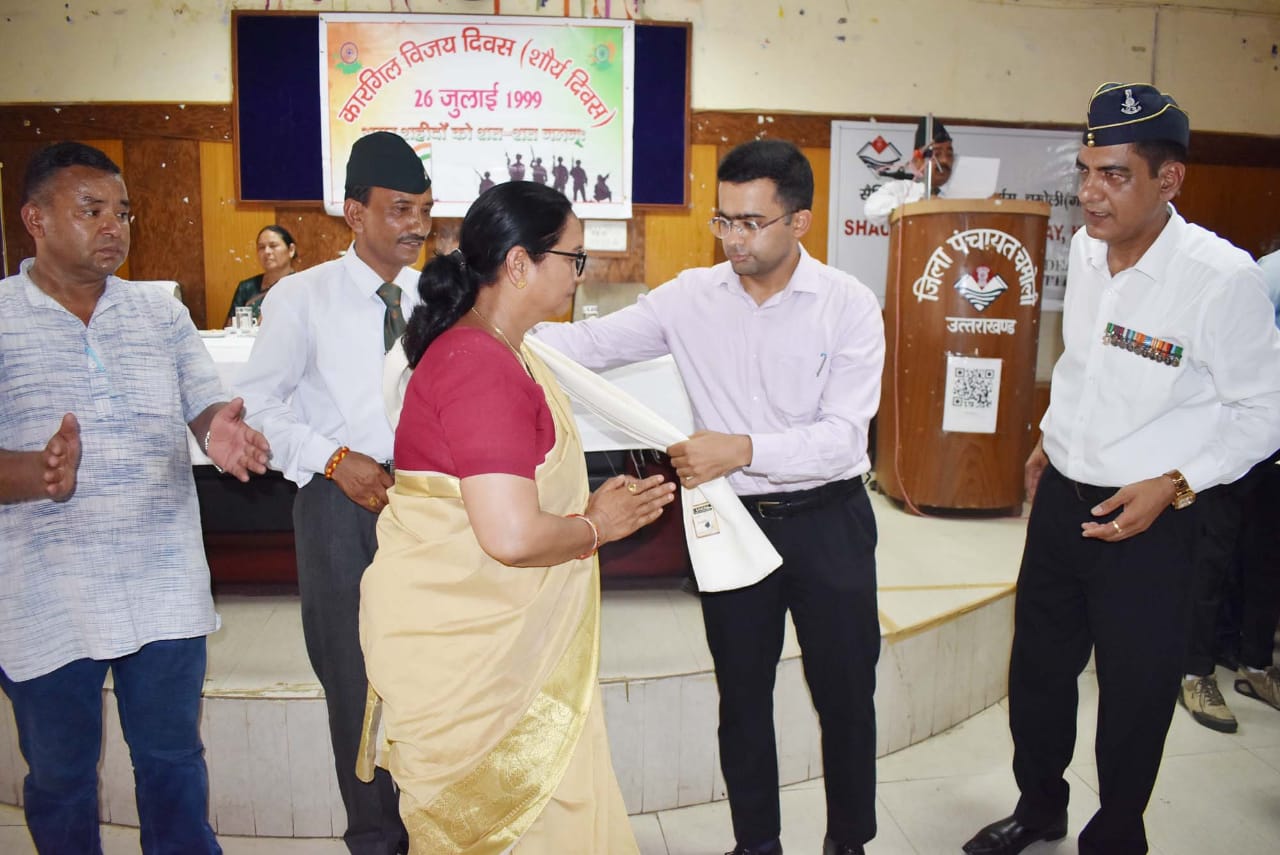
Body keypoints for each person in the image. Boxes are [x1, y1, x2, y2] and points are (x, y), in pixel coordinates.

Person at [535, 139, 885, 855]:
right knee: (743, 696)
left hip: (829, 520)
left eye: (751, 222)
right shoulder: (688, 298)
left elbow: (845, 438)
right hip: (732, 523)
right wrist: (485, 323)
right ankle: (756, 843)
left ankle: (849, 841)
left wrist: (744, 447)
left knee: (846, 696)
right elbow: (582, 346)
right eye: (723, 220)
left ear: (801, 222)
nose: (733, 239)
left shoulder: (848, 306)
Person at [962, 83, 1280, 855]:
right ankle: (1040, 808)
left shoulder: (1220, 279)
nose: (1090, 194)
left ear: (1169, 179)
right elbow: (1085, 367)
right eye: (1084, 171)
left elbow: (1265, 411)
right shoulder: (1092, 253)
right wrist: (1050, 436)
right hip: (1065, 501)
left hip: (1156, 519)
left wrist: (1176, 483)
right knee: (1038, 674)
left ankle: (1115, 833)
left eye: (1114, 174)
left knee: (1135, 695)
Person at [358, 181, 675, 853]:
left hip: (490, 652)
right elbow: (509, 535)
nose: (580, 273)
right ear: (520, 263)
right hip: (469, 668)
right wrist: (598, 525)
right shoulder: (479, 364)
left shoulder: (502, 348)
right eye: (574, 256)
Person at [0, 141, 270, 853]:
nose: (114, 226)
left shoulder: (160, 312)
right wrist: (37, 473)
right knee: (60, 774)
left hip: (161, 579)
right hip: (47, 589)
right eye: (92, 210)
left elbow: (205, 402)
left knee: (173, 761)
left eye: (122, 212)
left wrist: (219, 432)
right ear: (35, 217)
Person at [234, 131, 433, 855]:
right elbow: (257, 407)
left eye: (426, 211)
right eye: (401, 209)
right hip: (336, 508)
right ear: (355, 212)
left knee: (432, 667)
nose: (417, 225)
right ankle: (376, 836)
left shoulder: (440, 298)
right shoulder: (301, 296)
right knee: (354, 679)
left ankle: (432, 822)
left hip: (429, 508)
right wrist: (335, 458)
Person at [863, 117, 955, 223]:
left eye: (949, 155)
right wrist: (916, 205)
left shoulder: (964, 193)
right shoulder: (903, 189)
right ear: (917, 161)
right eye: (937, 154)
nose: (944, 160)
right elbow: (871, 210)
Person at [224, 224, 298, 325]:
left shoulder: (301, 286)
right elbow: (230, 327)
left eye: (273, 246)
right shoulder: (246, 287)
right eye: (261, 247)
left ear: (291, 250)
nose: (267, 251)